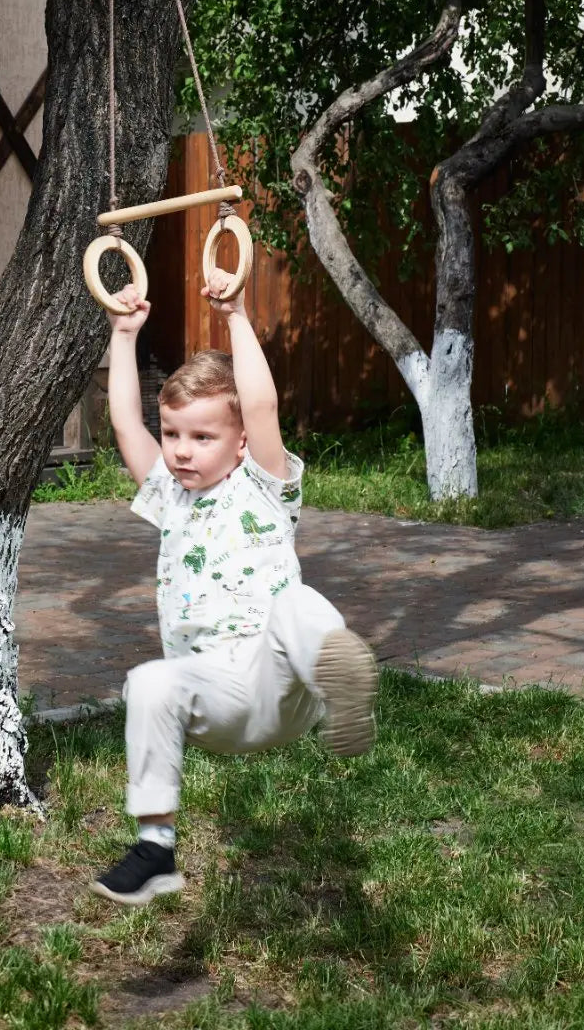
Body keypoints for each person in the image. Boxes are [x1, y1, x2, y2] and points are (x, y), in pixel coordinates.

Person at [90, 268, 379, 906]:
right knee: (148, 682)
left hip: (282, 685)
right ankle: (155, 848)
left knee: (297, 606)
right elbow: (124, 429)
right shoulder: (168, 495)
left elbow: (262, 404)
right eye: (173, 435)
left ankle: (342, 688)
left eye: (202, 436)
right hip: (215, 698)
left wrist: (238, 316)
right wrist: (122, 335)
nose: (181, 452)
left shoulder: (264, 488)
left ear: (241, 439)